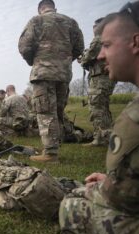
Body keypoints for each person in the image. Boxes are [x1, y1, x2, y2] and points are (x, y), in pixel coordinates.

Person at [59, 2, 139, 234]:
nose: (101, 54)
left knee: (71, 207)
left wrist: (105, 187)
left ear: (135, 43)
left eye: (106, 45)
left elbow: (118, 199)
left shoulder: (134, 117)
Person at [18, 0, 84, 163]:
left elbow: (24, 46)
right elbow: (79, 47)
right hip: (63, 74)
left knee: (46, 111)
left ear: (41, 9)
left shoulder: (36, 20)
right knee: (58, 111)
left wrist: (33, 61)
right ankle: (54, 146)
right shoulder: (71, 22)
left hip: (43, 72)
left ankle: (51, 153)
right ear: (54, 7)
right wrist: (65, 61)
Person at [80, 18, 117, 147]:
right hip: (106, 77)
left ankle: (102, 139)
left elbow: (87, 57)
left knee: (96, 108)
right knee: (103, 107)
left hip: (100, 78)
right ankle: (107, 136)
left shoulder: (99, 39)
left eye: (95, 27)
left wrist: (83, 59)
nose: (94, 29)